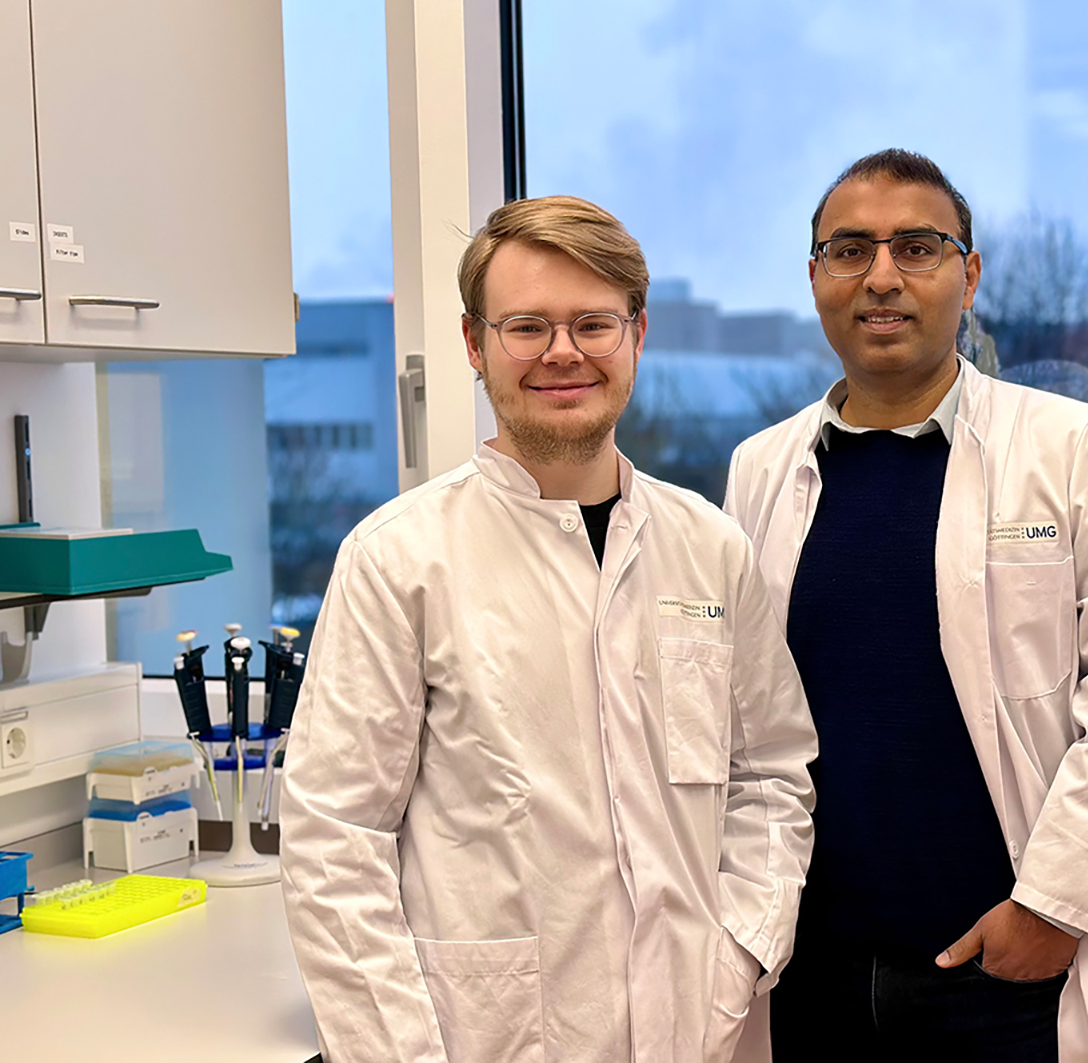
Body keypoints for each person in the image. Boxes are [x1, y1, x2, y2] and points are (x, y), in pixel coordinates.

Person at [281, 195, 817, 1063]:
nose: (562, 352)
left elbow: (769, 777)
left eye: (593, 324)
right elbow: (335, 840)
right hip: (487, 1037)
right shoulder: (398, 559)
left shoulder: (710, 547)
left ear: (637, 336)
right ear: (474, 344)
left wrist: (739, 951)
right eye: (526, 326)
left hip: (695, 1024)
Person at [724, 149, 1088, 1062]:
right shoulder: (761, 469)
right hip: (810, 968)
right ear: (815, 277)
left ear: (968, 276)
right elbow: (747, 718)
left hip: (1001, 973)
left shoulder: (1071, 446)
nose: (881, 277)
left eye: (917, 247)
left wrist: (1051, 910)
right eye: (849, 250)